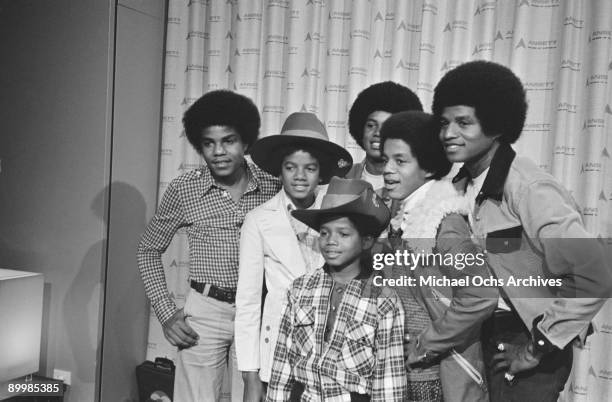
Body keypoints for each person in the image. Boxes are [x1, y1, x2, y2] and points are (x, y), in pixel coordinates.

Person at [432, 60, 612, 402]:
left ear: (497, 125)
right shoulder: (459, 186)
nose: (448, 133)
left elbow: (595, 273)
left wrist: (537, 346)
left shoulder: (528, 188)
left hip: (525, 337)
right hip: (479, 333)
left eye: (463, 122)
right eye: (444, 122)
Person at [137, 90, 280, 402]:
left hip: (257, 311)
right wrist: (166, 313)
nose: (218, 151)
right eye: (208, 143)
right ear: (198, 146)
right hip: (204, 310)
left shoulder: (273, 185)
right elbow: (147, 250)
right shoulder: (184, 189)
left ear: (246, 142)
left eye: (228, 140)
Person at [380, 110, 497, 402]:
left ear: (428, 167)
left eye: (400, 161)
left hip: (440, 379)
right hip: (404, 375)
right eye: (386, 160)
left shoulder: (444, 223)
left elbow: (481, 294)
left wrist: (425, 344)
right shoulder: (401, 218)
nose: (388, 169)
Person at [235, 112, 353, 401]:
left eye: (310, 168)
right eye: (291, 167)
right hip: (279, 349)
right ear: (279, 170)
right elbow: (248, 303)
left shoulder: (340, 215)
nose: (300, 176)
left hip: (331, 350)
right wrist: (250, 376)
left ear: (321, 172)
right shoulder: (258, 220)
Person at [266, 177, 407, 402]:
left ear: (367, 241)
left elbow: (389, 380)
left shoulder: (384, 299)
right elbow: (283, 362)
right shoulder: (300, 289)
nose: (331, 241)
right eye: (324, 233)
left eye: (343, 234)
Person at [346, 81, 423, 195]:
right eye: (371, 125)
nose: (377, 133)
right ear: (360, 129)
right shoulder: (345, 177)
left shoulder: (414, 184)